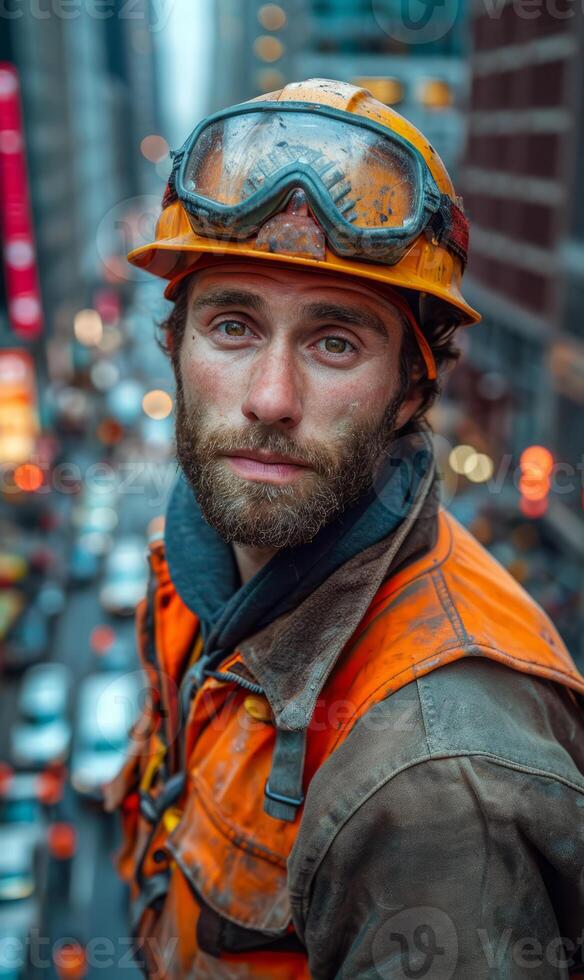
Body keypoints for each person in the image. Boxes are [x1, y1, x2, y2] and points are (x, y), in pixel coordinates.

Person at [104, 79, 584, 979]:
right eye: (234, 324)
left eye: (335, 342)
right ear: (174, 344)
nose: (271, 400)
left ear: (414, 388)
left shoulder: (442, 776)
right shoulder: (198, 561)